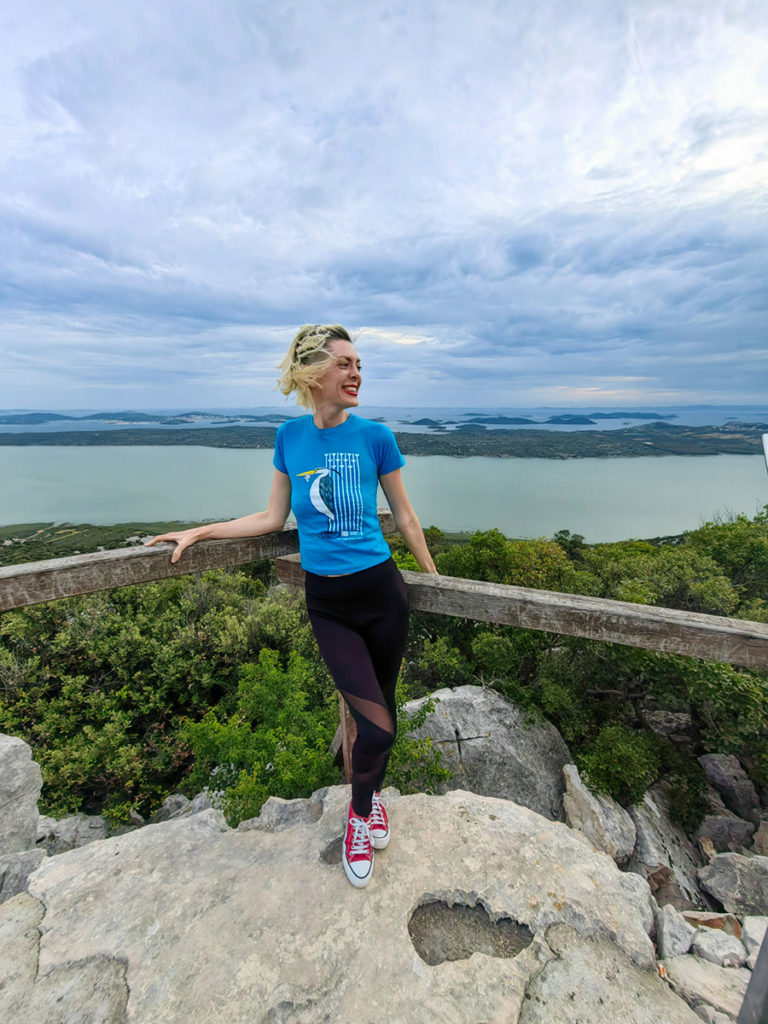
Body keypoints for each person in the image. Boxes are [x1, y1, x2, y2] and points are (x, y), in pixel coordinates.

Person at [146, 324, 437, 888]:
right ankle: (359, 818)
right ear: (313, 375)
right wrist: (202, 530)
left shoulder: (376, 436)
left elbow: (405, 518)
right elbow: (272, 519)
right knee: (373, 726)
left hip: (382, 593)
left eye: (360, 365)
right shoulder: (289, 437)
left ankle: (369, 796)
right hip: (328, 602)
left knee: (384, 708)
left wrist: (435, 580)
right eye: (345, 364)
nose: (356, 374)